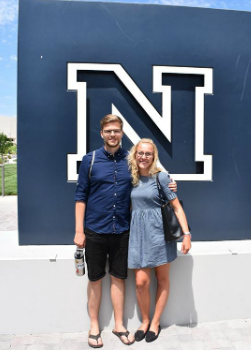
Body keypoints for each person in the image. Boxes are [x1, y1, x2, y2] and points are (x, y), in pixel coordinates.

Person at [74, 115, 176, 348]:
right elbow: (80, 198)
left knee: (119, 279)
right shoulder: (89, 161)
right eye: (108, 131)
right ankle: (94, 327)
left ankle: (119, 325)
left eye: (116, 131)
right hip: (94, 230)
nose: (112, 135)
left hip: (122, 231)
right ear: (102, 133)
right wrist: (79, 231)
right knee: (95, 279)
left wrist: (170, 183)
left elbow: (151, 176)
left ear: (122, 134)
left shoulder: (130, 162)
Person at [127, 138, 191, 343]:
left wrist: (187, 234)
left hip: (159, 234)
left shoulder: (161, 178)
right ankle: (144, 321)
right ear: (134, 154)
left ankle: (155, 322)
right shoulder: (130, 178)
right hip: (137, 235)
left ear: (154, 157)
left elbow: (177, 207)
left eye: (148, 153)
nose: (143, 157)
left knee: (162, 279)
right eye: (140, 152)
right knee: (141, 282)